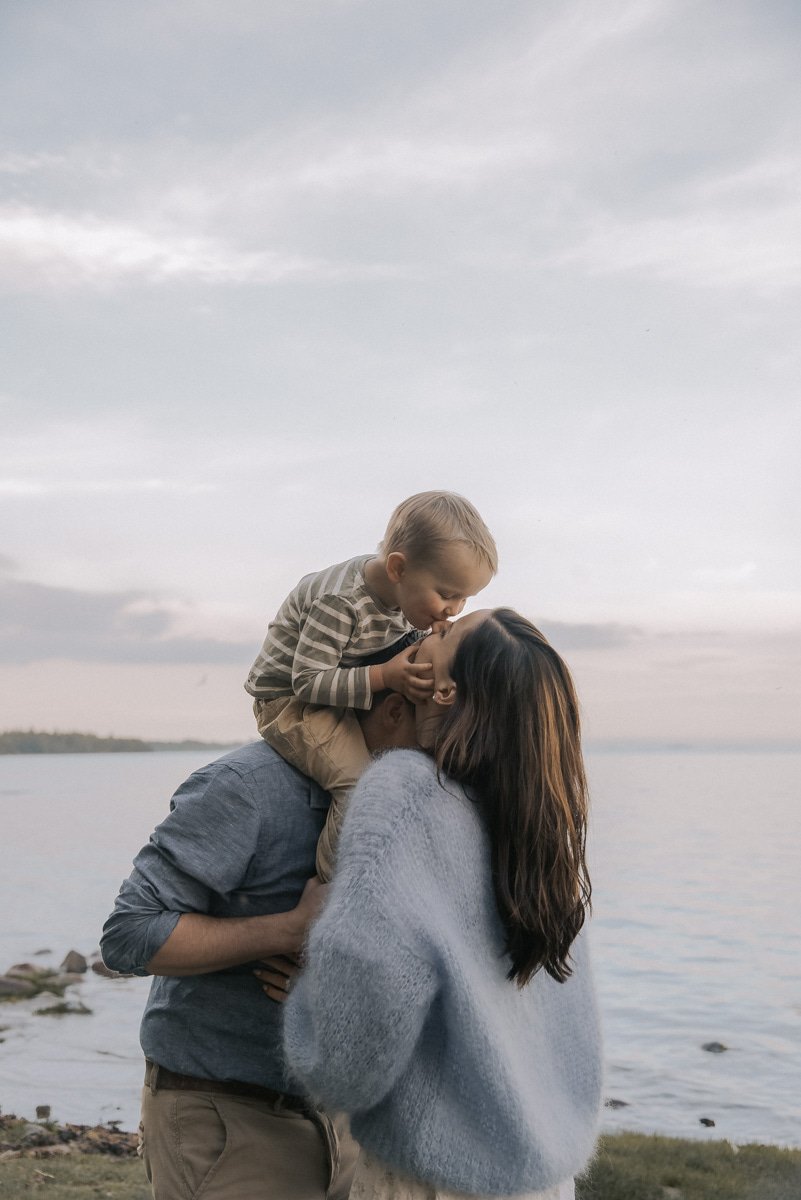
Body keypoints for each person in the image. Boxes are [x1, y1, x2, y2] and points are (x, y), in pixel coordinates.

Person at [281, 609, 603, 1200]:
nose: (428, 628)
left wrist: (312, 1036)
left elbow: (369, 966)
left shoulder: (408, 792)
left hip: (435, 1180)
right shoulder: (540, 836)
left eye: (443, 636)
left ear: (446, 687)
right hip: (546, 1182)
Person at [100, 640, 421, 1200]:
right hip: (228, 1119)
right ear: (394, 710)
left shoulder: (402, 802)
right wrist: (288, 930)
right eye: (445, 720)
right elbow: (129, 937)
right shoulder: (247, 786)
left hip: (343, 1123)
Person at [244, 491, 497, 881]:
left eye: (465, 598)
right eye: (448, 595)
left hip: (338, 676)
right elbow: (307, 681)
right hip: (288, 701)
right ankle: (337, 885)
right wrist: (385, 676)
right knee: (357, 784)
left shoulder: (403, 594)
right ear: (398, 568)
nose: (454, 610)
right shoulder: (340, 602)